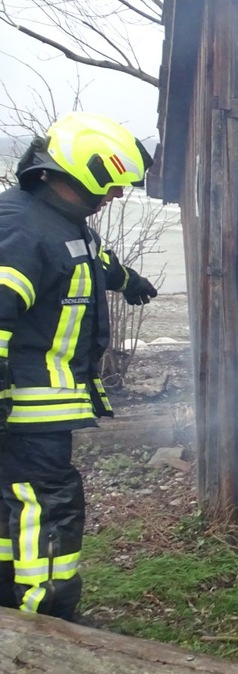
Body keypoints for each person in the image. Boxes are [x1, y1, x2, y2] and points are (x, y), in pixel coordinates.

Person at [0, 111, 158, 620]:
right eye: (110, 185)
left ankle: (10, 606)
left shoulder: (58, 224)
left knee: (19, 508)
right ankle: (48, 625)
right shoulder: (24, 231)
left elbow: (88, 260)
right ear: (77, 171)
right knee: (47, 507)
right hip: (24, 408)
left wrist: (126, 277)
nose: (114, 196)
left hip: (38, 408)